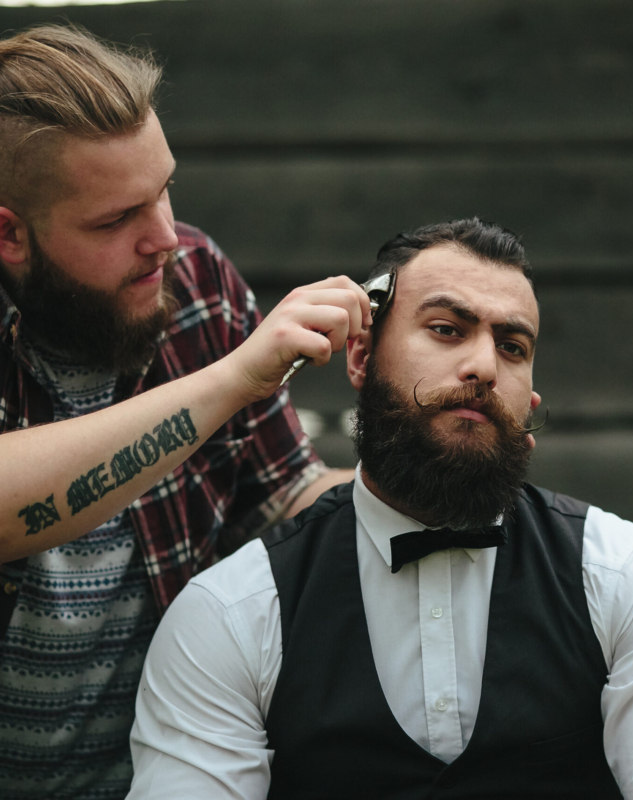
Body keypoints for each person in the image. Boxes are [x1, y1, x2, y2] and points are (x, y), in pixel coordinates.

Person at [127, 218, 633, 800]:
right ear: (361, 357)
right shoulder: (230, 614)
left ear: (529, 398)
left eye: (511, 346)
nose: (483, 364)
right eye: (447, 329)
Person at [0, 24, 368, 800]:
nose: (164, 237)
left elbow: (278, 496)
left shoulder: (196, 277)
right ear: (9, 235)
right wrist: (233, 379)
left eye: (164, 188)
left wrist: (411, 490)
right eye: (115, 220)